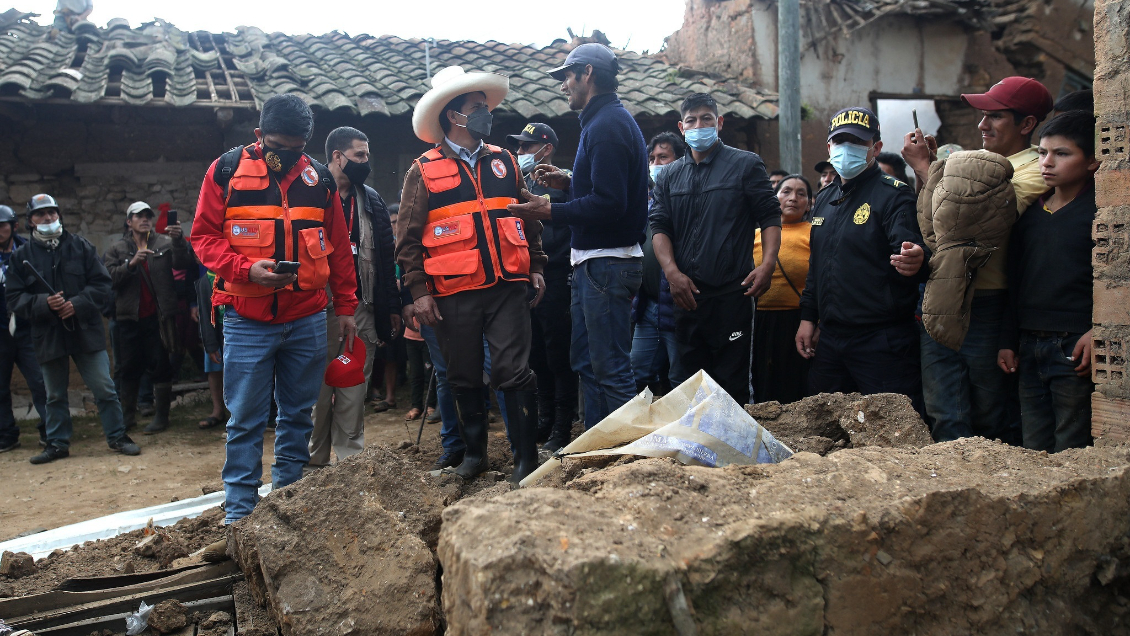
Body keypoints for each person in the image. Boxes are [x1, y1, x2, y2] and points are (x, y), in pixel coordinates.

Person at [190, 94, 359, 524]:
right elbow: (204, 238)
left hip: (306, 317)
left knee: (298, 415)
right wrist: (246, 270)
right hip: (248, 319)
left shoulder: (319, 179)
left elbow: (338, 248)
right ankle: (241, 515)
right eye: (279, 145)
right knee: (245, 419)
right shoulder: (224, 170)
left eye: (297, 147)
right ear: (259, 135)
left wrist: (346, 308)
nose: (288, 155)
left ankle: (286, 503)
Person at [396, 66, 546, 484]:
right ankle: (474, 456)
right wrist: (418, 291)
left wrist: (536, 264)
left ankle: (525, 460)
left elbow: (527, 218)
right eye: (476, 108)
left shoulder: (505, 161)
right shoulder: (422, 171)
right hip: (452, 292)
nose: (485, 114)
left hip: (508, 287)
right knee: (462, 373)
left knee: (513, 372)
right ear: (453, 116)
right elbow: (407, 240)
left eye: (485, 107)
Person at [902, 76, 1053, 442]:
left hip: (988, 304)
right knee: (943, 411)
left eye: (995, 117)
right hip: (941, 298)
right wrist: (935, 169)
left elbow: (971, 220)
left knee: (989, 414)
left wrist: (926, 169)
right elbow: (934, 225)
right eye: (982, 116)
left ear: (1027, 124)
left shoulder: (1035, 168)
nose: (982, 125)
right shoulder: (977, 164)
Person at [509, 43, 649, 429]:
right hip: (596, 263)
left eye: (567, 77)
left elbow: (609, 204)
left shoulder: (607, 126)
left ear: (587, 73)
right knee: (588, 364)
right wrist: (569, 183)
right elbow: (606, 193)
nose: (563, 86)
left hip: (607, 264)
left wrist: (549, 209)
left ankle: (630, 463)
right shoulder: (604, 122)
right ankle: (599, 451)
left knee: (611, 370)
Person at [650, 92, 782, 405]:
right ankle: (699, 450)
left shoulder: (745, 164)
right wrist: (672, 273)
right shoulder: (668, 175)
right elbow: (659, 227)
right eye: (692, 120)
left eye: (707, 119)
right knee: (691, 384)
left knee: (733, 383)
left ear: (719, 123)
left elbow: (769, 215)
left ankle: (737, 452)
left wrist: (768, 264)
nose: (699, 125)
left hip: (732, 293)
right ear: (682, 128)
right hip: (687, 295)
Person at [795, 108, 928, 411]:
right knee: (823, 426)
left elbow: (913, 254)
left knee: (893, 433)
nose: (846, 149)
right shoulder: (825, 199)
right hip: (829, 340)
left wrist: (917, 260)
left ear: (875, 148)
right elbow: (817, 267)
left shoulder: (894, 196)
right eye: (839, 142)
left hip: (881, 341)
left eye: (856, 142)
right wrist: (807, 318)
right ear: (829, 148)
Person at [7, 194, 140, 464]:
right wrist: (43, 303)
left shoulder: (81, 247)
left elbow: (102, 286)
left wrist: (77, 304)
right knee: (53, 394)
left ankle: (117, 436)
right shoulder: (22, 257)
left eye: (52, 213)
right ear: (30, 221)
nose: (47, 218)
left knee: (104, 387)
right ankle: (57, 443)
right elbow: (14, 298)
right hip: (48, 335)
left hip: (84, 331)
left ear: (59, 215)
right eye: (41, 214)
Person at [998, 111, 1098, 452]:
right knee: (1033, 445)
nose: (1047, 162)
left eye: (1062, 153)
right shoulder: (1029, 215)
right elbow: (1016, 282)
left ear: (1093, 162)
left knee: (1070, 445)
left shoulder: (1100, 213)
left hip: (1075, 347)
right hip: (1029, 344)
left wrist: (1098, 330)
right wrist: (1008, 340)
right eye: (1042, 153)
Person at [309, 126, 400, 468]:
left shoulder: (371, 198)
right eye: (359, 155)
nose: (366, 162)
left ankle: (350, 464)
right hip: (318, 308)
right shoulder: (311, 191)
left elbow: (385, 256)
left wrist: (390, 306)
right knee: (317, 390)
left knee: (354, 384)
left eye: (367, 155)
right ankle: (312, 463)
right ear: (337, 156)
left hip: (362, 307)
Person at [508, 122, 577, 453]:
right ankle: (544, 418)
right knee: (535, 354)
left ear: (546, 149)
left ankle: (563, 424)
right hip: (527, 280)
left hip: (559, 279)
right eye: (519, 147)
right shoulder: (516, 188)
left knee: (558, 355)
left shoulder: (567, 187)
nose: (520, 153)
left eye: (526, 147)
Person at [103, 201, 192, 434]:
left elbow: (184, 263)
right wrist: (132, 264)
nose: (144, 220)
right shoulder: (117, 249)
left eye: (148, 216)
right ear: (128, 221)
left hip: (159, 317)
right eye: (138, 216)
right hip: (128, 317)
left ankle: (162, 417)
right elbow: (109, 279)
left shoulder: (164, 242)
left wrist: (179, 240)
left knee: (161, 365)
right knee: (128, 368)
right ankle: (127, 418)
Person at [632, 131, 687, 396]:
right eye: (652, 158)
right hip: (648, 304)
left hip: (677, 305)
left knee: (680, 377)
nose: (655, 163)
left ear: (680, 160)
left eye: (663, 157)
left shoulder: (688, 200)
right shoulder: (647, 203)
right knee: (636, 370)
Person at [752, 175, 813, 404]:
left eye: (801, 193)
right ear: (775, 197)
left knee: (792, 384)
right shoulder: (757, 235)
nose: (793, 198)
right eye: (786, 191)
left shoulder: (814, 234)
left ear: (809, 202)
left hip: (798, 322)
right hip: (758, 320)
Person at [0, 205, 49, 452]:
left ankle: (50, 431)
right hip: (0, 329)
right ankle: (6, 434)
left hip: (27, 327)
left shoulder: (27, 252)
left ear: (14, 226)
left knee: (40, 381)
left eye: (2, 226)